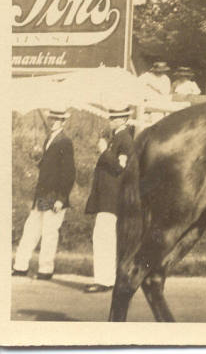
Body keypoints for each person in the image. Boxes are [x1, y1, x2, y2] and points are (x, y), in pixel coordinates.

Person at [12, 108, 76, 280]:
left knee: (49, 232)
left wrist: (61, 199)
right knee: (31, 229)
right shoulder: (50, 139)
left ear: (63, 122)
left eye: (57, 119)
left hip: (54, 196)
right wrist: (38, 159)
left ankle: (45, 270)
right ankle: (20, 266)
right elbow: (49, 169)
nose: (53, 121)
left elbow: (69, 174)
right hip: (42, 195)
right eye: (52, 118)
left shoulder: (65, 142)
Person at [83, 107, 136, 292]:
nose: (111, 120)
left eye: (115, 118)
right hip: (107, 197)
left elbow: (120, 168)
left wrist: (105, 151)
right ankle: (106, 278)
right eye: (111, 117)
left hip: (112, 198)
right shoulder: (118, 138)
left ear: (123, 119)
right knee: (103, 236)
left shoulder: (125, 140)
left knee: (103, 237)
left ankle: (104, 280)